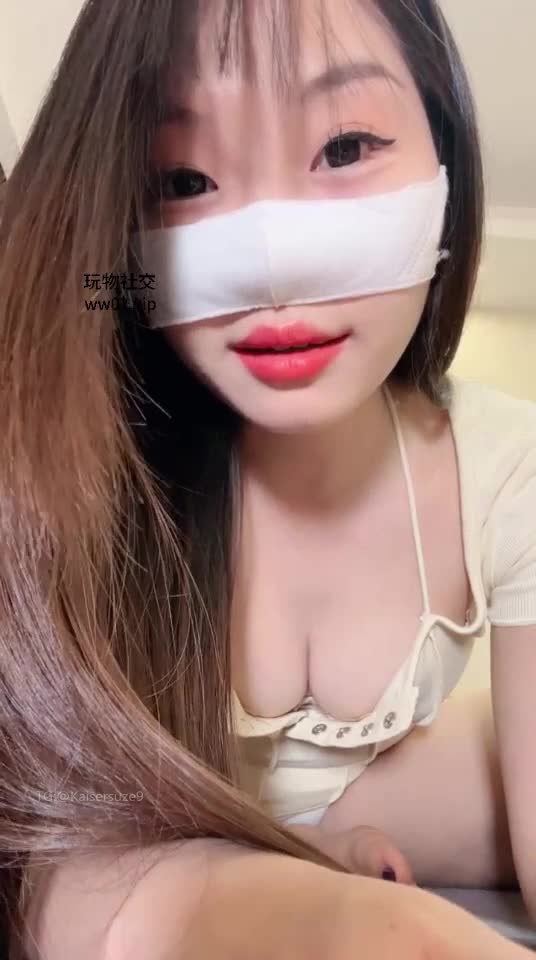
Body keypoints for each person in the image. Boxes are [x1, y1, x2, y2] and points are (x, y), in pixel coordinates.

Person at [0, 0, 534, 956]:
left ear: (446, 161)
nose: (273, 267)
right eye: (184, 180)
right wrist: (325, 910)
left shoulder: (507, 469)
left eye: (345, 148)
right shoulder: (70, 467)